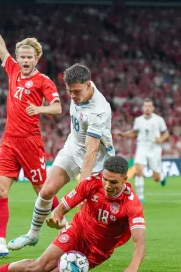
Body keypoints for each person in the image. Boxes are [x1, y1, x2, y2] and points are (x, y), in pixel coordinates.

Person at [0, 0, 63, 256]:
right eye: (22, 57)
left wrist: (41, 110)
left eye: (29, 57)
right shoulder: (13, 70)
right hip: (9, 142)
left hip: (30, 142)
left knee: (43, 191)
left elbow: (58, 107)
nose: (24, 60)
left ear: (37, 58)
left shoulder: (43, 81)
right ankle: (0, 243)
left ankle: (67, 228)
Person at [0, 156, 146, 272]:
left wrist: (132, 267)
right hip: (77, 232)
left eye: (113, 182)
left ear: (124, 179)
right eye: (105, 179)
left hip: (97, 251)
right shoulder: (91, 183)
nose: (107, 185)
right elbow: (63, 206)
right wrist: (57, 216)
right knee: (38, 267)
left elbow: (140, 244)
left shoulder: (132, 204)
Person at [7, 63, 115, 250]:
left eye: (76, 91)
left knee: (85, 208)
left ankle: (78, 248)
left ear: (89, 85)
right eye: (69, 91)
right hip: (73, 148)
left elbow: (91, 151)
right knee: (47, 190)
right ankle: (32, 235)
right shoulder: (81, 86)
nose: (72, 96)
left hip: (97, 159)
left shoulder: (99, 111)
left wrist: (83, 186)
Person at [116, 99, 169, 202]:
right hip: (142, 147)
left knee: (156, 178)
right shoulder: (138, 120)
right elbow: (134, 133)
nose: (147, 108)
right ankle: (140, 197)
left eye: (149, 106)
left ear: (153, 108)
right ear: (143, 108)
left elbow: (166, 133)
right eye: (145, 106)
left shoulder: (159, 120)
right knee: (139, 169)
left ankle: (161, 177)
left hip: (154, 149)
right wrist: (123, 134)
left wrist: (161, 139)